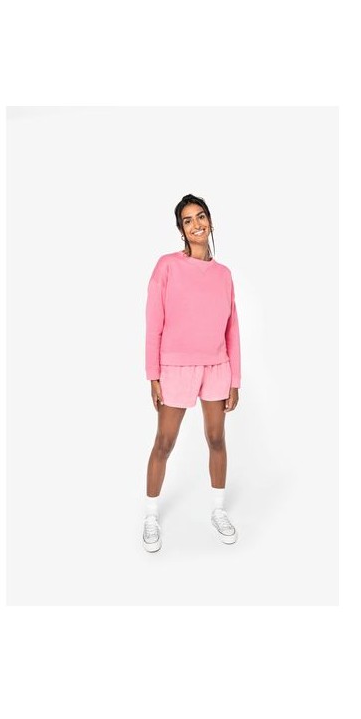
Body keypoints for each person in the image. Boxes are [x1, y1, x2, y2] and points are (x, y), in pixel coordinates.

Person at [143, 194, 240, 552]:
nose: (196, 224)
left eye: (201, 217)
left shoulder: (224, 275)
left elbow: (232, 329)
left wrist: (235, 379)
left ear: (210, 221)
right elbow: (153, 323)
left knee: (216, 439)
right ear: (181, 229)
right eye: (188, 220)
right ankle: (151, 514)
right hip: (175, 367)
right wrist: (153, 374)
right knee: (164, 442)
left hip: (217, 367)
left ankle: (218, 510)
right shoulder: (167, 266)